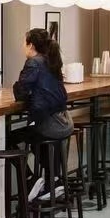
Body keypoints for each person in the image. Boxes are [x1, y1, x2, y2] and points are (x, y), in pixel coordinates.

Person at [12, 29, 74, 200]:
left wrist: (18, 86)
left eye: (24, 42)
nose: (22, 46)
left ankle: (30, 179)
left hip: (51, 124)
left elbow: (20, 93)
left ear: (30, 45)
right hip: (64, 121)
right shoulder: (51, 60)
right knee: (35, 139)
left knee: (9, 138)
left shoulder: (33, 62)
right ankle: (53, 180)